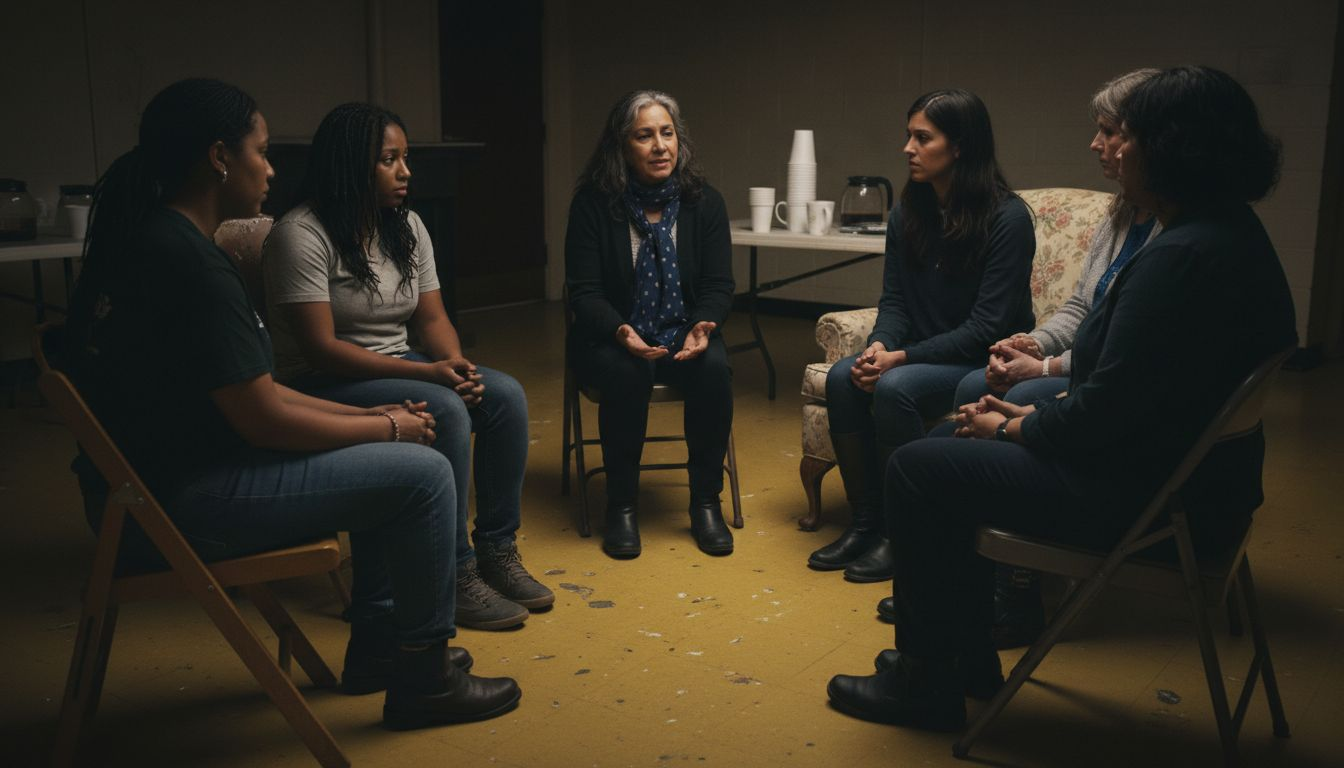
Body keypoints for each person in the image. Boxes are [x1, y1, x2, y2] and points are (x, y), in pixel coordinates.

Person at [827, 65, 1296, 732]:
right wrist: (1028, 414)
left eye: (1122, 135)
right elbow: (1134, 395)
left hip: (1152, 508)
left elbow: (1104, 413)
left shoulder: (1177, 261)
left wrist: (1014, 428)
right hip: (1192, 486)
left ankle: (927, 685)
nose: (1104, 149)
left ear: (1171, 147)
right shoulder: (1228, 234)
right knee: (941, 444)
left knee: (916, 468)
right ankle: (962, 659)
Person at [64, 79, 520, 730]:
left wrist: (378, 423)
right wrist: (386, 429)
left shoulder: (165, 242)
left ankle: (379, 649)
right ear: (219, 157)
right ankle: (421, 676)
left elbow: (258, 392)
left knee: (399, 446)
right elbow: (265, 418)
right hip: (172, 507)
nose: (272, 167)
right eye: (261, 149)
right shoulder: (192, 266)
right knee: (422, 478)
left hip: (151, 487)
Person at [263, 103, 550, 632]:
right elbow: (321, 348)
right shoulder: (300, 234)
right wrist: (431, 377)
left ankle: (496, 552)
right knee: (445, 406)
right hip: (324, 381)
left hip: (400, 363)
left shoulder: (408, 225)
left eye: (405, 158)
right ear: (351, 166)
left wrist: (455, 363)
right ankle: (455, 572)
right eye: (389, 160)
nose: (405, 172)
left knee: (502, 395)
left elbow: (433, 317)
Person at [937, 68, 1165, 648]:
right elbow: (1082, 309)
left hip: (1099, 392)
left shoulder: (1173, 236)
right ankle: (980, 573)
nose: (1095, 144)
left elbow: (1117, 353)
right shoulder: (1120, 214)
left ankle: (1011, 592)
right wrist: (1035, 342)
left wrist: (1041, 371)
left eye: (1107, 131)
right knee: (976, 388)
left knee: (998, 401)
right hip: (1087, 372)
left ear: (1150, 138)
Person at [808, 89, 1036, 582]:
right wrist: (881, 345)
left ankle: (900, 534)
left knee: (894, 387)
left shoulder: (1008, 218)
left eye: (922, 138)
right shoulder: (909, 211)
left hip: (977, 359)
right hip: (916, 353)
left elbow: (987, 327)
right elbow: (894, 301)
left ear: (959, 147)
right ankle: (865, 523)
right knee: (846, 376)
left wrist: (901, 359)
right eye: (908, 135)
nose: (907, 148)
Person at [565, 89, 736, 559]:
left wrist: (704, 325)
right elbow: (585, 293)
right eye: (645, 135)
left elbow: (720, 284)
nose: (660, 145)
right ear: (621, 146)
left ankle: (705, 503)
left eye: (667, 133)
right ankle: (621, 507)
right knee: (626, 371)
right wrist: (622, 332)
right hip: (613, 333)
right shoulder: (593, 206)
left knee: (713, 368)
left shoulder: (705, 204)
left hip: (683, 330)